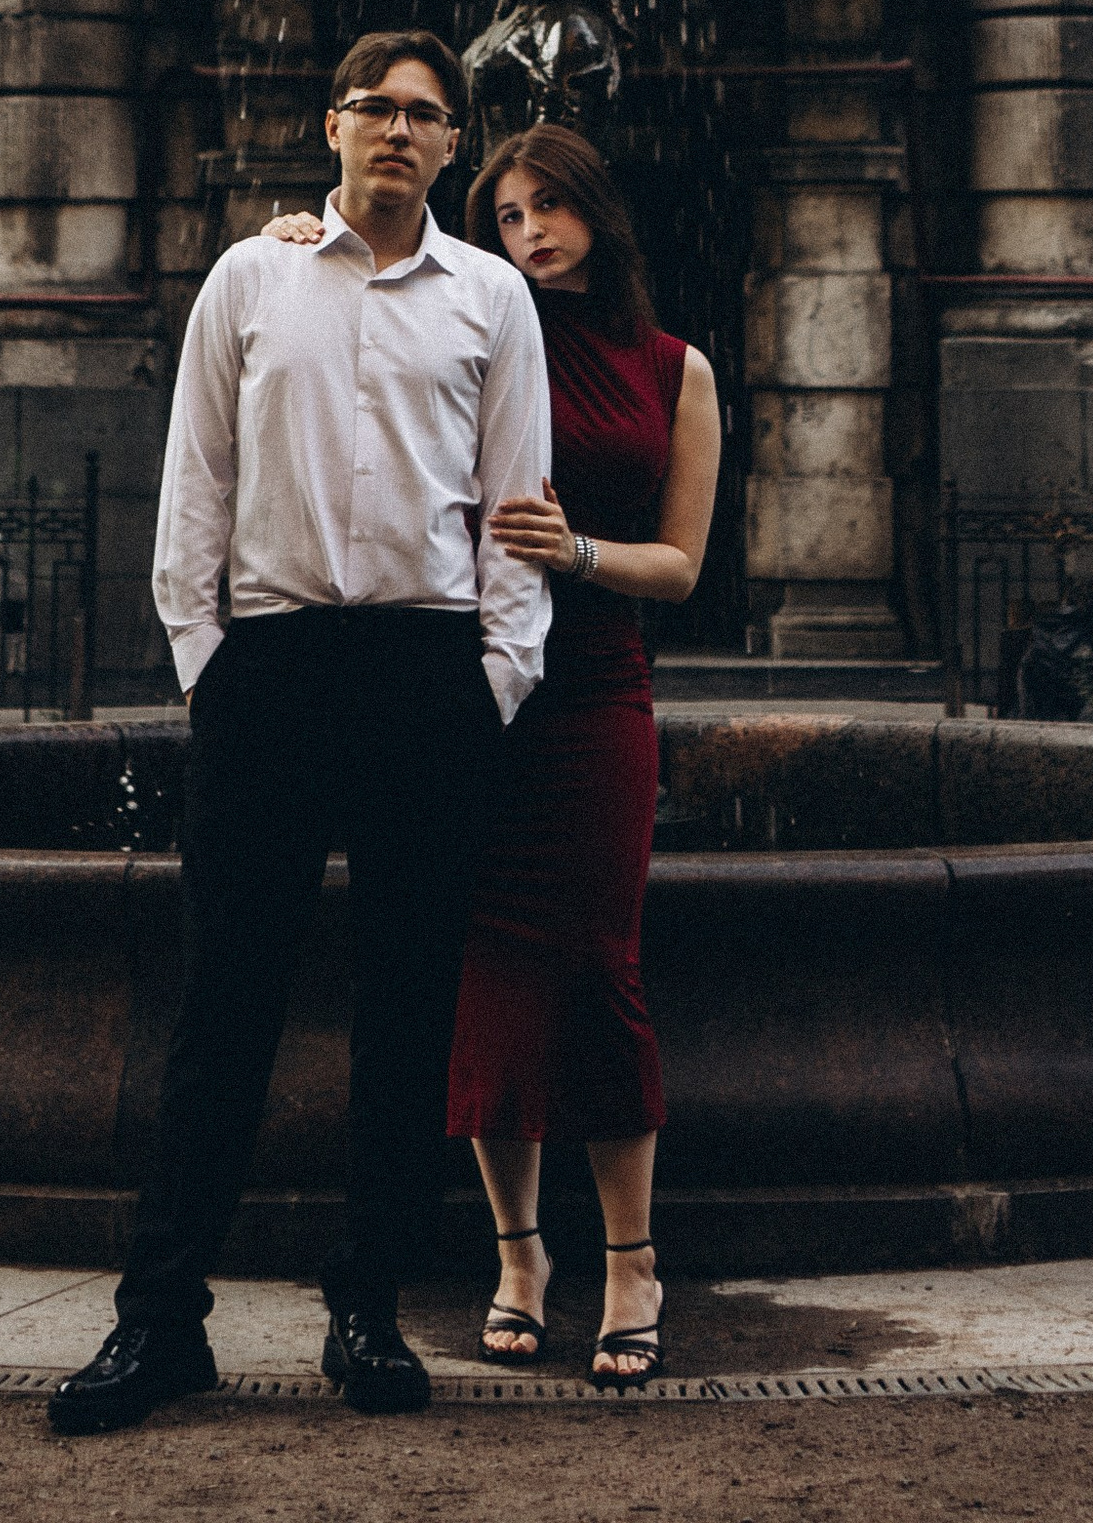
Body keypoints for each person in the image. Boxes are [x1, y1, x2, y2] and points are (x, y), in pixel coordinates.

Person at [47, 29, 552, 1439]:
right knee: (223, 1013)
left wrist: (498, 676)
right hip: (270, 668)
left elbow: (518, 501)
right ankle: (160, 1325)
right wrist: (209, 662)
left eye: (425, 115)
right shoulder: (249, 275)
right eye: (375, 109)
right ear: (332, 128)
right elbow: (193, 481)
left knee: (405, 1019)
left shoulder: (492, 300)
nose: (398, 132)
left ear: (455, 144)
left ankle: (369, 1311)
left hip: (424, 672)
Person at [264, 122, 721, 1385]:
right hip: (463, 684)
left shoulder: (675, 368)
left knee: (600, 967)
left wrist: (575, 554)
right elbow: (352, 346)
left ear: (596, 210)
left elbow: (681, 567)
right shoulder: (467, 321)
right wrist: (294, 238)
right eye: (508, 216)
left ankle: (633, 1261)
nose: (530, 234)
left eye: (549, 208)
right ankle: (521, 1257)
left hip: (593, 691)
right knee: (484, 978)